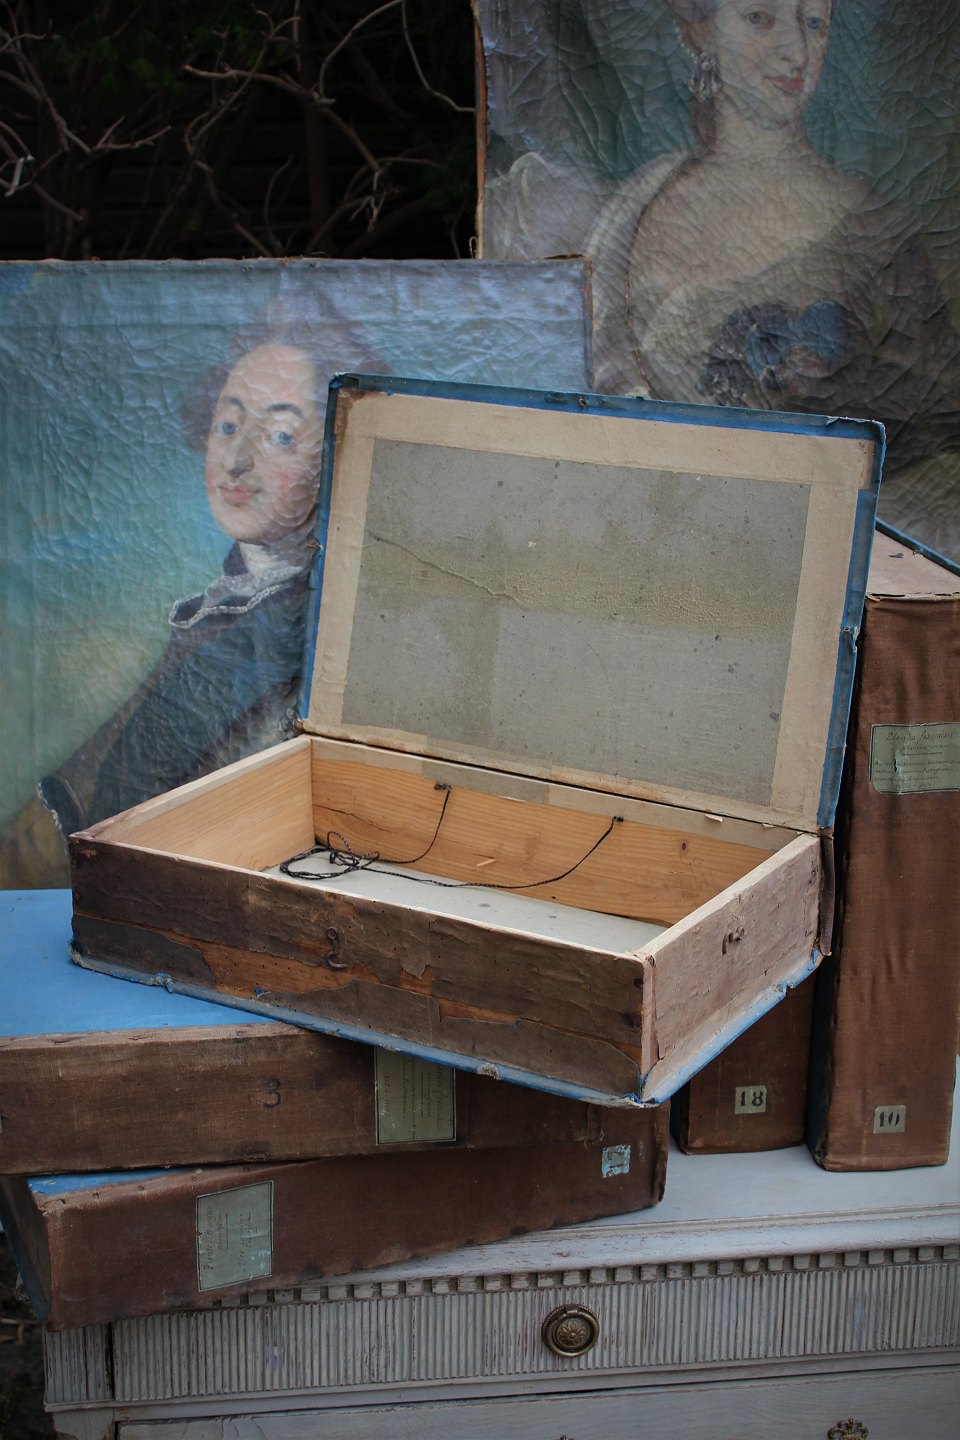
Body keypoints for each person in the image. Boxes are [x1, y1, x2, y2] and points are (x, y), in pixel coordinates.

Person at [487, 0, 960, 554]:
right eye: (760, 19)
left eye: (814, 24)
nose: (796, 51)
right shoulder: (637, 205)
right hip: (638, 540)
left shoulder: (879, 234)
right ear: (701, 31)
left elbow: (932, 457)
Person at [1, 320, 369, 887]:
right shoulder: (217, 609)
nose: (236, 459)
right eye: (228, 425)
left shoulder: (313, 626)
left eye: (280, 437)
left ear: (335, 456)